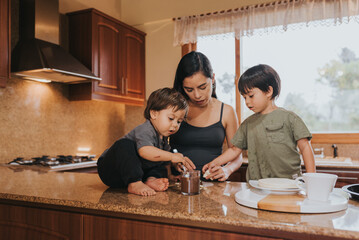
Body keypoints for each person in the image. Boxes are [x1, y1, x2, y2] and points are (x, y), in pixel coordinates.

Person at [203, 64, 316, 181]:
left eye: (251, 96)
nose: (247, 102)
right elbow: (234, 150)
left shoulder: (290, 118)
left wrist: (312, 180)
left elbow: (305, 147)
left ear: (268, 91)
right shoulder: (247, 124)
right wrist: (215, 162)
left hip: (290, 185)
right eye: (244, 97)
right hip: (257, 186)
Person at [97, 88, 195, 196]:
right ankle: (134, 183)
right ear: (154, 114)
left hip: (129, 176)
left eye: (179, 121)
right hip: (111, 169)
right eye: (171, 118)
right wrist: (172, 156)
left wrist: (170, 175)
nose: (175, 124)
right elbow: (145, 151)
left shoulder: (164, 139)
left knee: (160, 159)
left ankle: (151, 180)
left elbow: (164, 163)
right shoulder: (145, 129)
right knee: (124, 144)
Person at [170, 51, 242, 181]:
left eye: (202, 87)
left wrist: (227, 170)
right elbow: (156, 146)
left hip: (213, 187)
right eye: (189, 89)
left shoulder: (226, 111)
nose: (197, 95)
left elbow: (237, 154)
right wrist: (171, 161)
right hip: (178, 185)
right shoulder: (174, 110)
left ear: (213, 78)